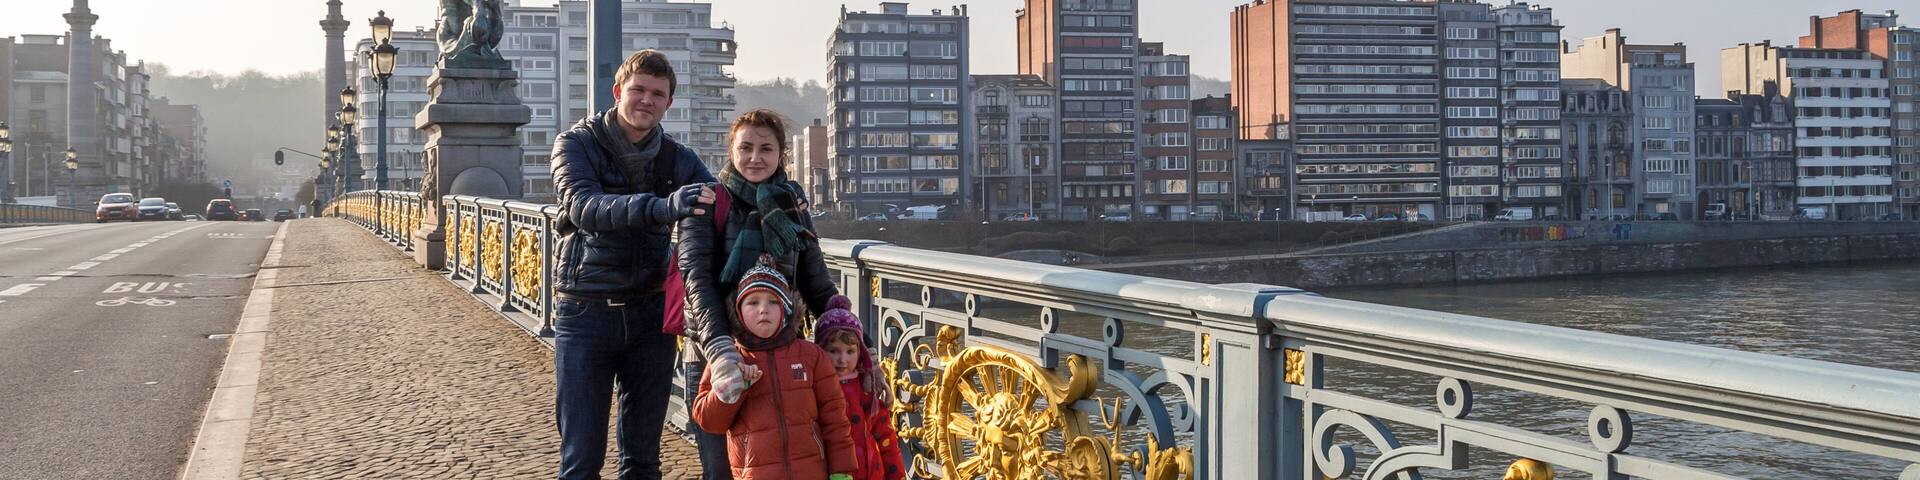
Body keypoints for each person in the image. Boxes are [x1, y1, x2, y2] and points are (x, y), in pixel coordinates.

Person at [549, 48, 718, 480]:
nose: (646, 100)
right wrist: (663, 208)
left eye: (657, 94)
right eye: (638, 90)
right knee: (581, 459)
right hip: (585, 310)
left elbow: (723, 206)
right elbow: (584, 205)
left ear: (668, 104)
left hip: (650, 314)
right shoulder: (575, 144)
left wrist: (779, 198)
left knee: (643, 460)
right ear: (617, 91)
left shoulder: (679, 158)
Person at [677, 109, 842, 478]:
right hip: (716, 356)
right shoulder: (707, 200)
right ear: (731, 151)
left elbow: (814, 278)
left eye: (766, 149)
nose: (755, 158)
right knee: (723, 470)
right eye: (746, 147)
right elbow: (696, 280)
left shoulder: (791, 201)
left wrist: (852, 340)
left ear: (780, 155)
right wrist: (721, 352)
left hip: (783, 358)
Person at [691, 258, 856, 480]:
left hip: (810, 472)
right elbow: (709, 422)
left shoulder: (811, 356)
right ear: (738, 311)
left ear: (786, 310)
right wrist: (733, 387)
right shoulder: (730, 359)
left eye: (773, 302)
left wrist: (841, 470)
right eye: (753, 302)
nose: (763, 310)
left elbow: (835, 417)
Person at [813, 298, 905, 480]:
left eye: (850, 351)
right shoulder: (815, 388)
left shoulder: (867, 388)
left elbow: (886, 438)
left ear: (860, 352)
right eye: (834, 351)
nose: (842, 360)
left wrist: (897, 476)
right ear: (820, 350)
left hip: (871, 472)